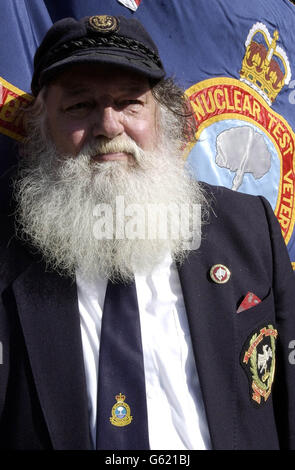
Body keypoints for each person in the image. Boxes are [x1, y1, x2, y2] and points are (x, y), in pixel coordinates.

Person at [0, 14, 294, 451]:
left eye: (130, 103)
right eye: (79, 106)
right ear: (41, 125)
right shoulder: (7, 247)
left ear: (165, 117)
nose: (108, 126)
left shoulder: (247, 226)